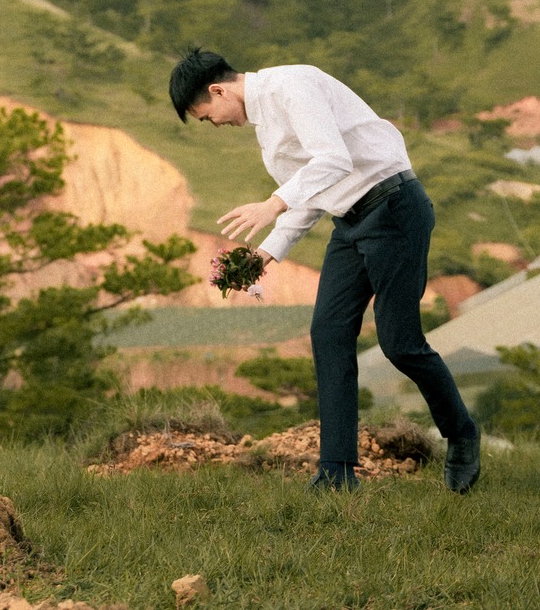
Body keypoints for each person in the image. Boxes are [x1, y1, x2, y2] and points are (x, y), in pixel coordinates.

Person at [169, 48, 480, 494]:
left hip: (393, 209)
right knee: (329, 333)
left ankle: (462, 434)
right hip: (349, 223)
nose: (214, 124)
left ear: (218, 90)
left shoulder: (292, 86)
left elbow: (332, 160)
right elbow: (312, 194)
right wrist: (268, 252)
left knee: (401, 344)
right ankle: (337, 473)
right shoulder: (266, 131)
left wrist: (272, 202)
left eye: (206, 116)